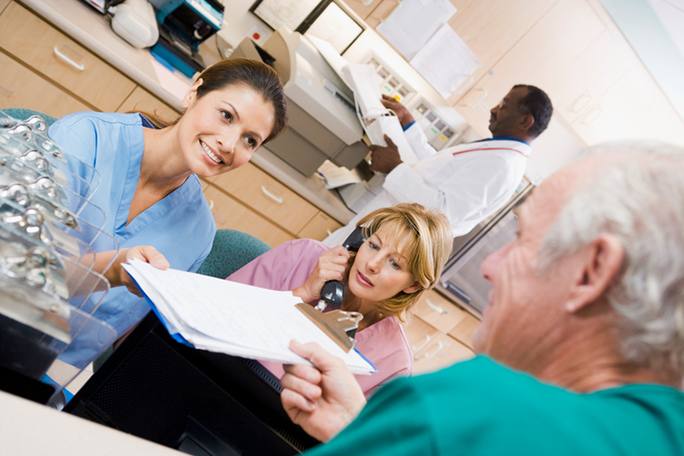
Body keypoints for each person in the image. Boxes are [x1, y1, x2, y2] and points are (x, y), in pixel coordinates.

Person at [280, 141, 684, 454]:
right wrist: (366, 436)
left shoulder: (476, 411)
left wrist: (400, 434)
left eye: (523, 239)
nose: (490, 268)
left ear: (592, 272)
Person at [48, 58, 288, 367]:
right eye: (226, 115)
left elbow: (128, 342)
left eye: (250, 140)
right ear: (193, 93)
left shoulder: (199, 233)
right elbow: (17, 271)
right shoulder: (83, 140)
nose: (229, 144)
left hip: (55, 381)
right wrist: (113, 269)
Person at [226, 203, 453, 396]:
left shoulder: (394, 362)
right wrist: (304, 292)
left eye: (394, 263)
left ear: (413, 285)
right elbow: (217, 310)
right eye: (373, 245)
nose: (372, 264)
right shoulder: (302, 255)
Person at [324, 85, 553, 246]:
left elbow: (441, 212)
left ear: (525, 121)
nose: (493, 109)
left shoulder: (501, 164)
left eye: (504, 105)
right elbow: (433, 169)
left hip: (390, 241)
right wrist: (408, 124)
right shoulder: (498, 152)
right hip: (379, 230)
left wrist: (395, 168)